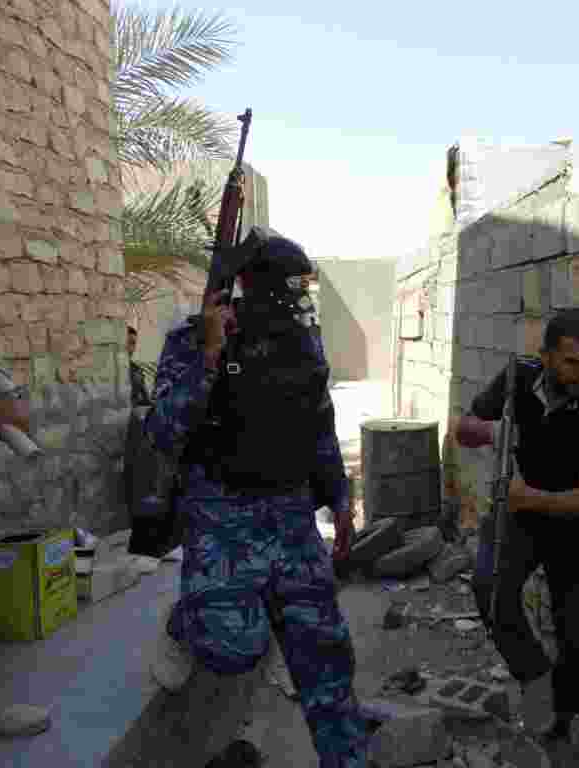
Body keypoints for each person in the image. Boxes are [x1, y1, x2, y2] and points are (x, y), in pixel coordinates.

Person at [143, 227, 364, 767]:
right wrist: (211, 356)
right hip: (222, 515)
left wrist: (339, 499)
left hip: (291, 516)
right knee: (231, 647)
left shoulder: (303, 339)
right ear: (252, 285)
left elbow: (319, 423)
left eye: (302, 290)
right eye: (291, 288)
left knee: (325, 660)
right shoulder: (194, 340)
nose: (299, 300)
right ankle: (185, 619)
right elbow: (163, 432)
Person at [456, 310, 579, 746]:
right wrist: (494, 434)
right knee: (490, 589)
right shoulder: (516, 377)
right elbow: (465, 429)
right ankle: (533, 676)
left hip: (576, 527)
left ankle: (557, 727)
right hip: (522, 521)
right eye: (573, 362)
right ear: (546, 356)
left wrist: (526, 496)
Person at [127, 326, 153, 407]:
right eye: (127, 343)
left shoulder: (137, 369)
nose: (130, 348)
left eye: (133, 343)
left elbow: (147, 399)